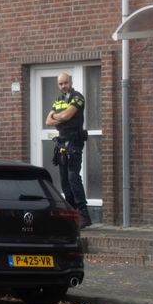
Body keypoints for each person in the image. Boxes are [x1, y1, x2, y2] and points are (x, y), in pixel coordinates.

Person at [46, 73, 91, 228]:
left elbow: (67, 115)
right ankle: (72, 215)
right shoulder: (58, 100)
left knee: (73, 177)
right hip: (62, 143)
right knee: (64, 181)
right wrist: (61, 117)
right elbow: (47, 120)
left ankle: (84, 215)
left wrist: (57, 117)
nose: (63, 86)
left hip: (74, 142)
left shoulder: (77, 97)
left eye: (65, 82)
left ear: (71, 82)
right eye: (60, 83)